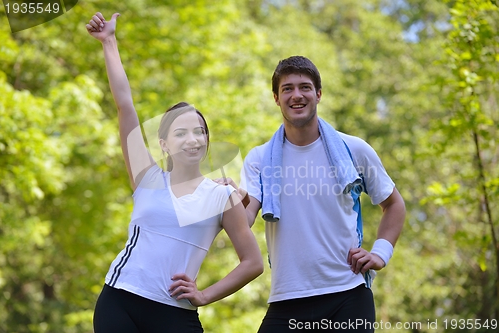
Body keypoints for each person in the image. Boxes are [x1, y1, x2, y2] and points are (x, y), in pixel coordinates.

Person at [86, 12, 263, 333]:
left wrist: (205, 294)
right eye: (180, 133)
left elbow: (253, 263)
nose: (192, 139)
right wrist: (109, 42)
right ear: (164, 144)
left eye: (199, 131)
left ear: (207, 141)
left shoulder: (222, 196)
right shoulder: (146, 177)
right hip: (120, 299)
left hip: (175, 314)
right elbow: (125, 105)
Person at [227, 56, 406, 332]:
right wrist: (229, 198)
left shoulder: (354, 149)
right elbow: (247, 218)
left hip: (347, 294)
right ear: (276, 98)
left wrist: (380, 253)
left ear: (318, 94)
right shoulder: (260, 158)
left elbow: (394, 204)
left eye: (305, 87)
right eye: (287, 89)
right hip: (287, 298)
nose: (296, 95)